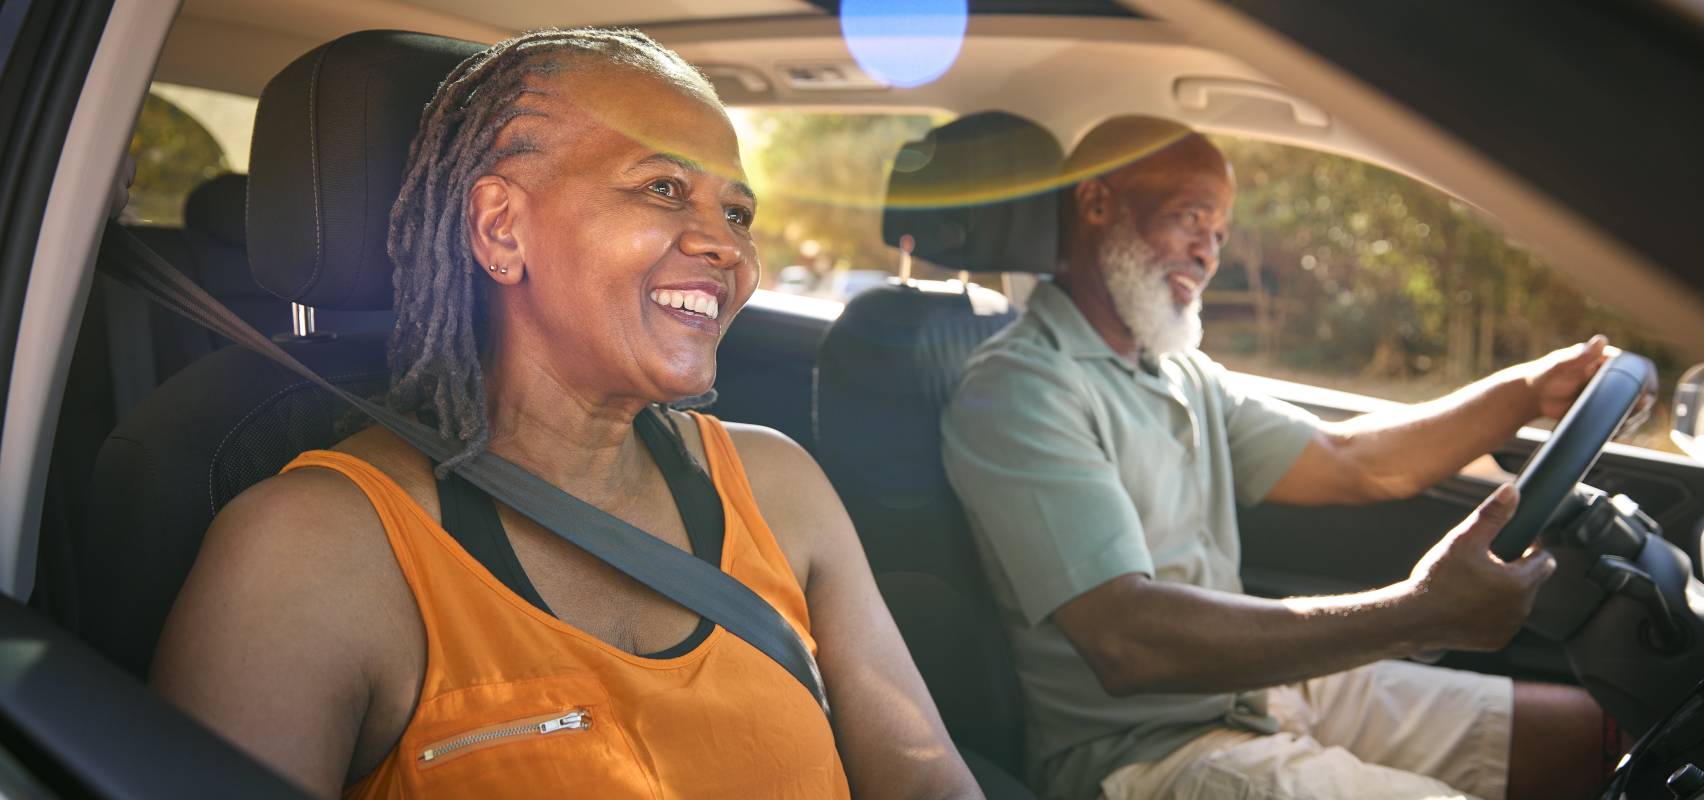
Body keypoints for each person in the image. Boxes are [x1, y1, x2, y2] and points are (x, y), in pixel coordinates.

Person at [151, 28, 978, 799]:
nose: (728, 246)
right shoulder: (313, 552)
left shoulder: (778, 486)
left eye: (736, 212)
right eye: (662, 188)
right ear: (501, 229)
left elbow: (926, 780)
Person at [941, 115, 1628, 800]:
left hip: (1255, 692)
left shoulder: (1180, 372)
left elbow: (1351, 459)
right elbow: (1127, 641)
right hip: (1144, 756)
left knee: (1586, 736)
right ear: (1096, 205)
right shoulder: (1023, 387)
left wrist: (1526, 392)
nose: (1208, 254)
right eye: (1190, 219)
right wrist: (1417, 614)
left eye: (1219, 234)